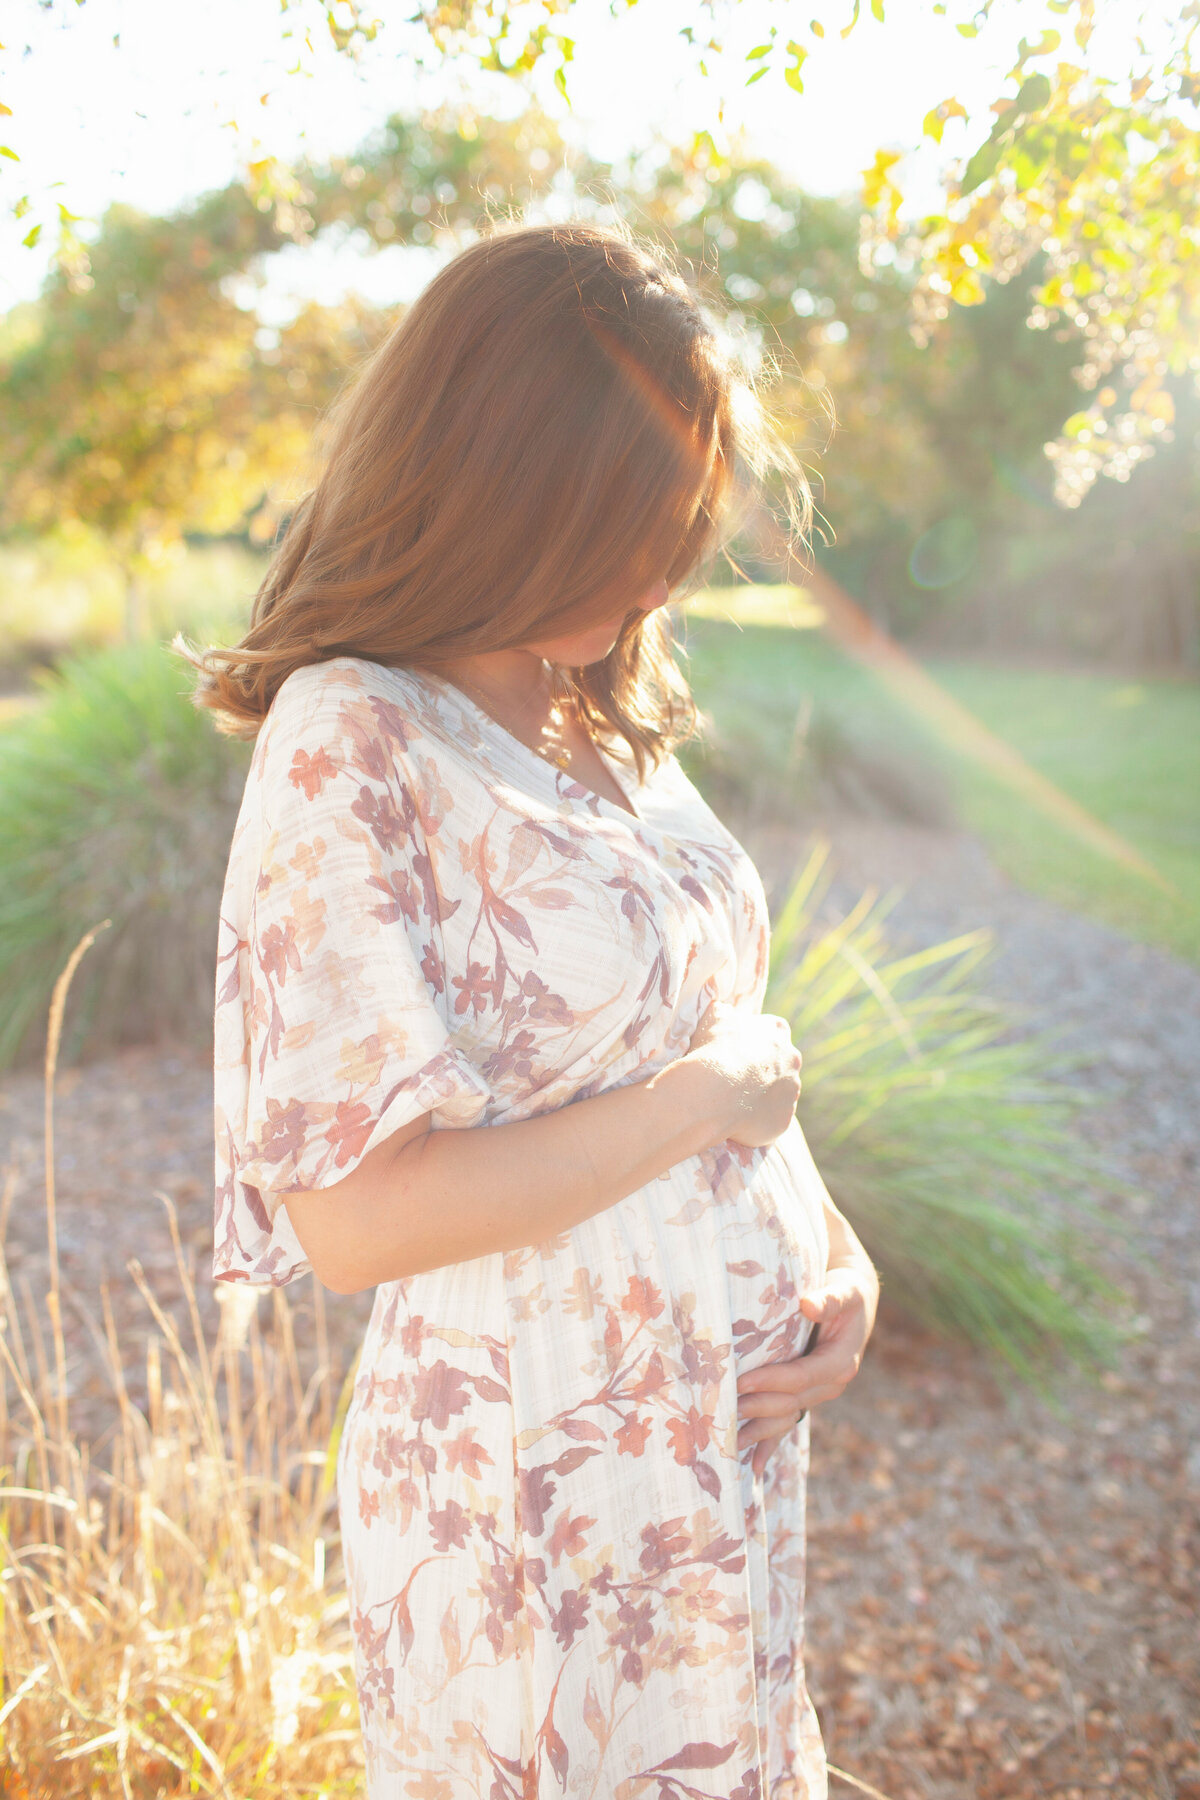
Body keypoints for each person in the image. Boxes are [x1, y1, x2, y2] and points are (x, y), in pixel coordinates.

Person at [191, 220, 879, 1799]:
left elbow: (706, 1027)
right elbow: (356, 1221)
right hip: (528, 1484)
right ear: (498, 483)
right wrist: (706, 1104)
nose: (663, 571)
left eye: (687, 523)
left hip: (717, 1456)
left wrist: (843, 1271)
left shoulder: (601, 705)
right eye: (626, 524)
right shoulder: (353, 733)